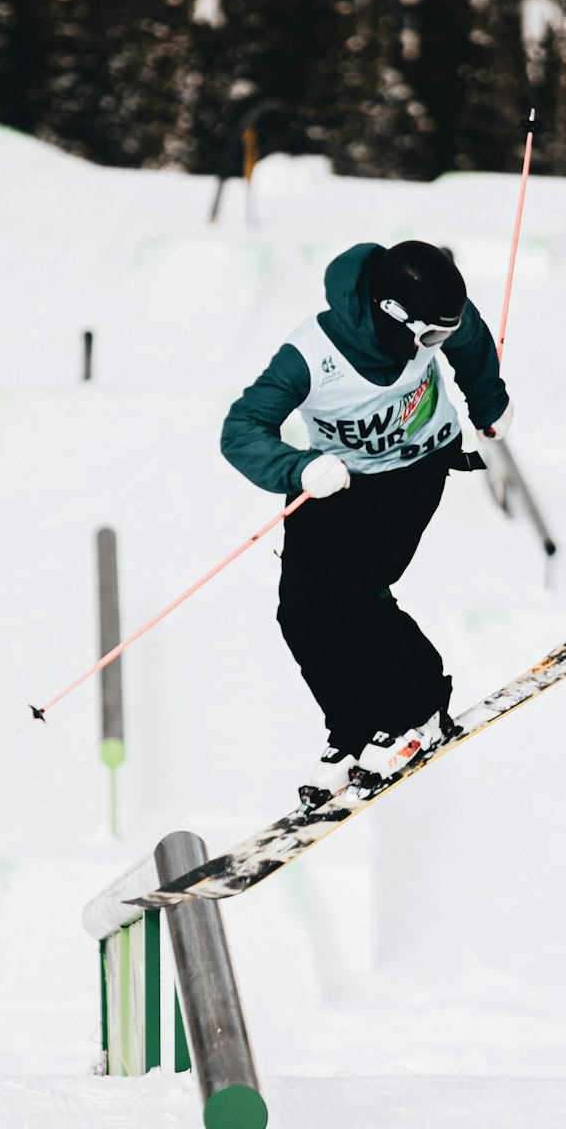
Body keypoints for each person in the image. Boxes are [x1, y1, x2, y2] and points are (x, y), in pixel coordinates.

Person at [221, 240, 514, 807]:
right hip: (335, 480)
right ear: (390, 313)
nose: (435, 345)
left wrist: (488, 403)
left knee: (354, 590)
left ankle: (419, 709)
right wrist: (299, 467)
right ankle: (353, 731)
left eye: (440, 335)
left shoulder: (441, 317)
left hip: (416, 467)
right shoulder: (311, 356)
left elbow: (471, 339)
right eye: (429, 337)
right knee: (300, 612)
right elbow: (241, 430)